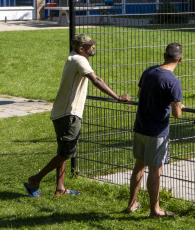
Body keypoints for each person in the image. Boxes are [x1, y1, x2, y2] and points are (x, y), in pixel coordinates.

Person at [25, 33, 129, 197]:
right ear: (81, 48)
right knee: (67, 152)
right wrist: (118, 98)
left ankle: (60, 188)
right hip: (69, 114)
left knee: (63, 152)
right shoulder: (79, 60)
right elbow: (97, 81)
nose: (93, 46)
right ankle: (35, 180)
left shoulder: (75, 58)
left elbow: (95, 79)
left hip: (63, 112)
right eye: (90, 45)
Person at [126, 43, 185, 217]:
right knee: (155, 170)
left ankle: (131, 204)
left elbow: (139, 95)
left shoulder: (149, 72)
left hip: (140, 126)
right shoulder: (173, 82)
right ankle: (155, 210)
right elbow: (176, 114)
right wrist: (179, 106)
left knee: (139, 166)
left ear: (164, 55)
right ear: (180, 59)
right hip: (157, 131)